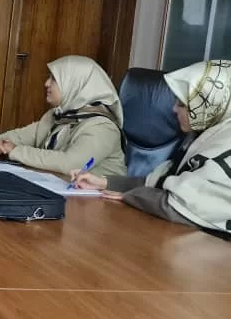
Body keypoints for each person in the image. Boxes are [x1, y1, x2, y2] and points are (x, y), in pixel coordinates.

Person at [72, 60, 231, 235]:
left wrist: (131, 197)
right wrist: (104, 182)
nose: (174, 109)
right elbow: (159, 181)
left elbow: (180, 208)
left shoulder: (224, 146)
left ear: (209, 107)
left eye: (182, 104)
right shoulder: (201, 137)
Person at [0, 55, 126, 176]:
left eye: (54, 79)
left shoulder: (102, 127)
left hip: (100, 198)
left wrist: (15, 151)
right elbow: (20, 137)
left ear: (75, 83)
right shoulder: (58, 116)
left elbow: (70, 164)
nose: (46, 83)